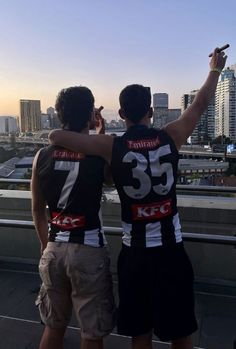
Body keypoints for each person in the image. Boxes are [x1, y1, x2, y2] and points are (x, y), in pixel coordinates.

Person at [49, 48, 227, 349]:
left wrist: (95, 128)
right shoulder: (171, 135)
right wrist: (214, 70)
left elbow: (56, 136)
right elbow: (200, 103)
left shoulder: (112, 146)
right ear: (151, 112)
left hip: (136, 256)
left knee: (140, 332)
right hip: (171, 251)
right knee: (180, 330)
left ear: (121, 114)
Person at [31, 86, 115, 349]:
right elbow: (111, 178)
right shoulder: (98, 156)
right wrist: (100, 136)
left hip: (54, 248)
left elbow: (37, 210)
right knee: (91, 333)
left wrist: (46, 245)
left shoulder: (41, 156)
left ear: (59, 115)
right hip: (88, 249)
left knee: (54, 326)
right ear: (90, 113)